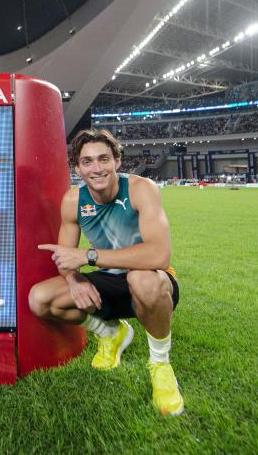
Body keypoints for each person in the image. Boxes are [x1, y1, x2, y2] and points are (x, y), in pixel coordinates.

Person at [29, 128, 184, 416]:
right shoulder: (73, 200)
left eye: (103, 159)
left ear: (117, 161)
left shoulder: (141, 188)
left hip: (150, 280)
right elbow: (65, 257)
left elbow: (159, 255)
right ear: (77, 168)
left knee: (141, 278)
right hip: (107, 281)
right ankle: (111, 332)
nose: (96, 168)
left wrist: (89, 256)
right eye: (87, 161)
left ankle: (161, 364)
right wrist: (74, 280)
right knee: (40, 299)